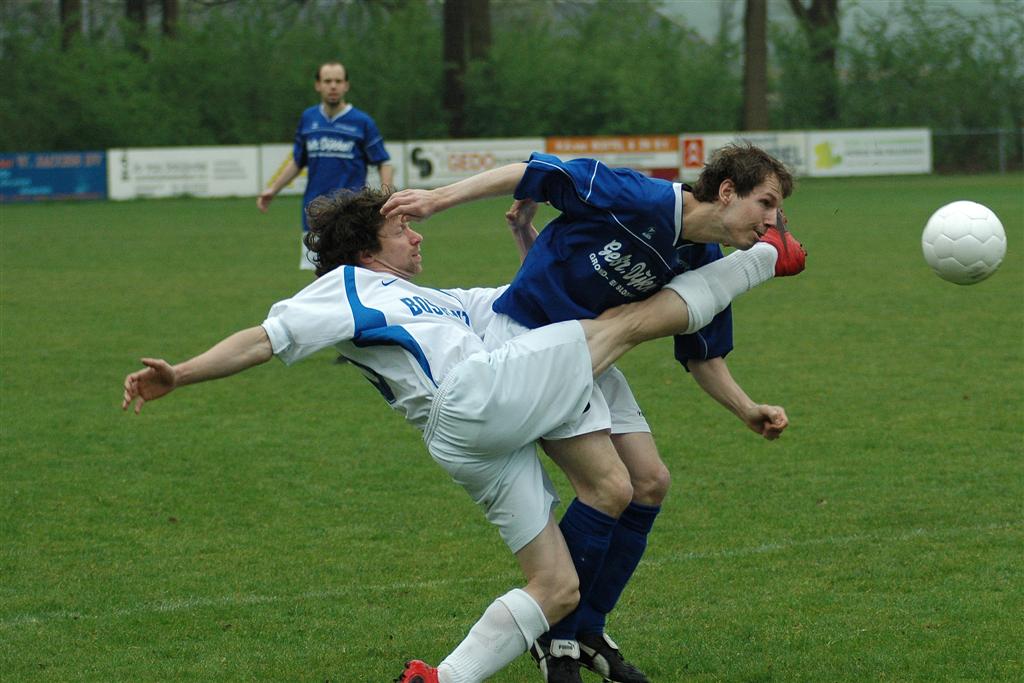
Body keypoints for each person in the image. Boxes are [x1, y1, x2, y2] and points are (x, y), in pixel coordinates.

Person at [123, 188, 802, 683]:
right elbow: (263, 338)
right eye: (402, 231)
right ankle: (765, 259)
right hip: (474, 401)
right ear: (366, 249)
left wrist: (534, 237)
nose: (418, 238)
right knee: (623, 328)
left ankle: (439, 678)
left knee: (556, 587)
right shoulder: (346, 287)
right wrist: (180, 374)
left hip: (472, 440)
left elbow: (530, 299)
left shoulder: (440, 300)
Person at [382, 144, 801, 683]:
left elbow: (703, 355)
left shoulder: (701, 259)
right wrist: (437, 199)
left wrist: (747, 408)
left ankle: (586, 629)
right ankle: (556, 635)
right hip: (531, 342)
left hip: (593, 355)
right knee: (608, 489)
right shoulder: (639, 197)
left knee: (650, 482)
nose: (773, 221)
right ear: (726, 192)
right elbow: (535, 172)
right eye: (766, 202)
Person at [257, 61, 394, 271]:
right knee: (320, 274)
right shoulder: (308, 119)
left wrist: (387, 198)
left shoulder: (362, 122)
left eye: (338, 81)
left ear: (346, 85)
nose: (333, 86)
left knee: (354, 271)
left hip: (351, 213)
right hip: (315, 212)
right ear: (318, 85)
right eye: (327, 81)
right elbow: (298, 161)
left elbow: (383, 162)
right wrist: (273, 189)